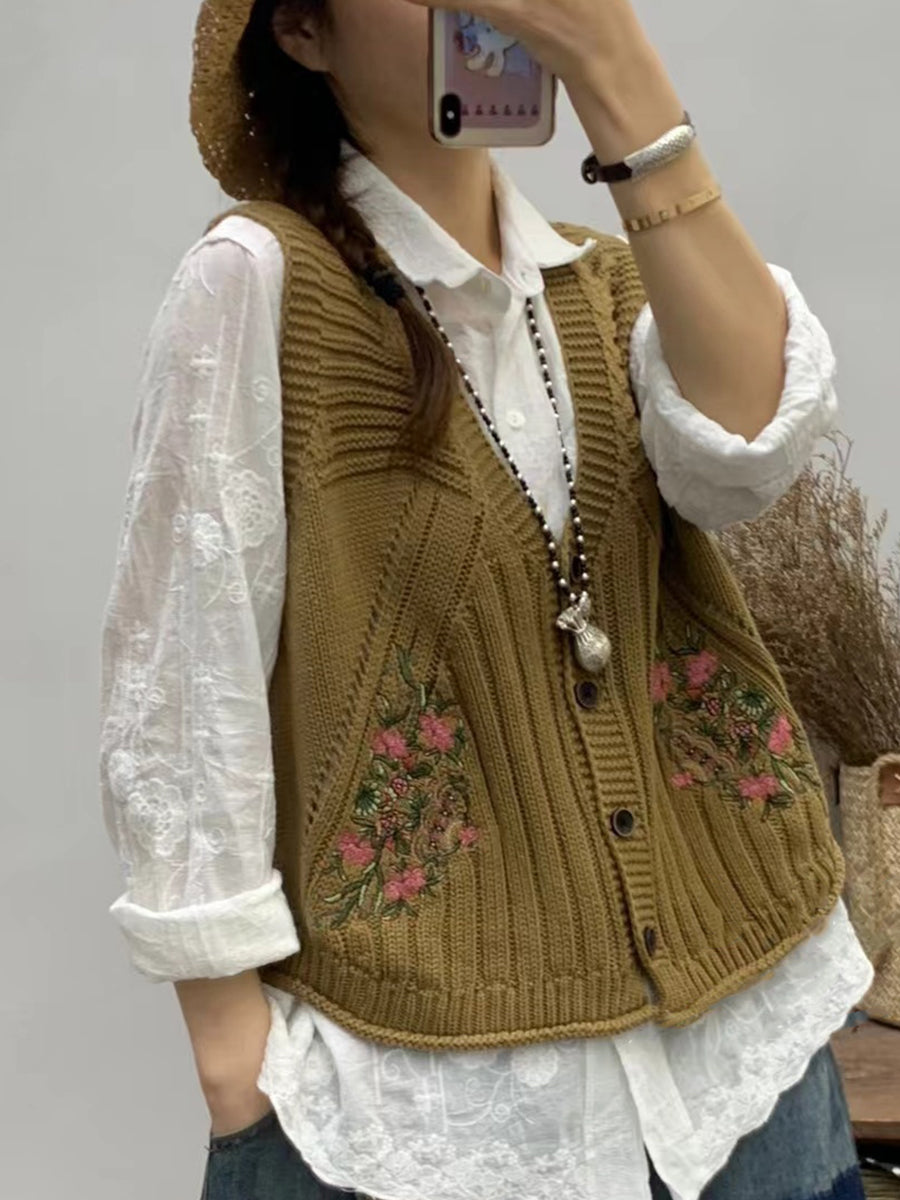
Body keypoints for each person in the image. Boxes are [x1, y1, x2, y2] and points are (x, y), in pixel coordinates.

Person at [98, 1, 876, 1198]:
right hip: (431, 1116)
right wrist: (234, 1068)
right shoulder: (260, 281)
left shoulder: (609, 281)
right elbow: (182, 684)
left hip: (748, 1066)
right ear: (303, 33)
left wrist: (617, 71)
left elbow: (749, 449)